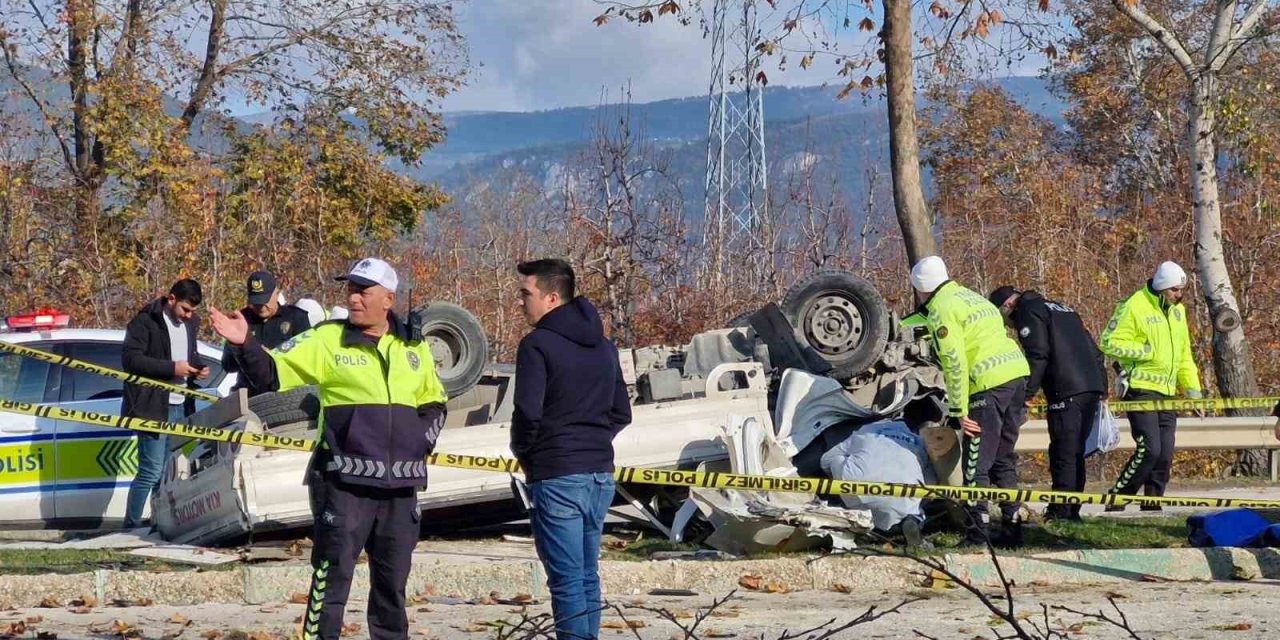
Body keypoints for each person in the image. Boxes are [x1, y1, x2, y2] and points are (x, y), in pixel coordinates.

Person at [209, 258, 447, 640]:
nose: (353, 299)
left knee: (392, 592)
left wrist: (419, 442)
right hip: (342, 481)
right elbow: (272, 373)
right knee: (329, 586)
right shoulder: (326, 338)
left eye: (363, 291)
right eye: (350, 290)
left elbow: (435, 402)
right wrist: (245, 344)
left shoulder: (413, 346)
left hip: (401, 489)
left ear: (387, 299)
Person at [511, 259, 632, 640]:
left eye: (525, 294)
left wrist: (530, 453)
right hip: (599, 475)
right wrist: (592, 442)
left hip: (557, 473)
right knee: (585, 576)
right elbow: (621, 412)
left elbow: (527, 413)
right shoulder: (605, 347)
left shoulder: (536, 346)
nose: (520, 303)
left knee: (566, 582)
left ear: (551, 297)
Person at [909, 256, 1030, 546]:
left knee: (976, 465)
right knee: (1002, 456)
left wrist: (958, 410)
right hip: (1016, 376)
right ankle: (1013, 528)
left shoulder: (941, 310)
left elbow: (954, 362)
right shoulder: (972, 298)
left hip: (987, 384)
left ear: (921, 288)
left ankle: (978, 534)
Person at [989, 287, 1107, 522]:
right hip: (1090, 385)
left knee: (1063, 452)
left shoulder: (1027, 311)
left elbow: (1038, 353)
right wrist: (1102, 386)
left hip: (1066, 388)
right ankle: (1072, 510)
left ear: (1006, 307)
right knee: (1075, 452)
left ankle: (1062, 512)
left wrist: (1027, 392)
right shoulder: (1063, 308)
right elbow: (1094, 350)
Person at [1100, 261, 1202, 511]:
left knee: (1165, 453)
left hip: (1167, 391)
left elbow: (1184, 355)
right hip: (1140, 387)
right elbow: (1107, 342)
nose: (1180, 295)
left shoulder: (1178, 311)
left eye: (1181, 290)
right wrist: (1144, 351)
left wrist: (1194, 391)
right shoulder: (1134, 305)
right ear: (1162, 287)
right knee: (1150, 449)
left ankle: (1152, 504)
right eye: (1175, 290)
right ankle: (1118, 498)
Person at [121, 278, 209, 529]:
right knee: (151, 470)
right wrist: (172, 368)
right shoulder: (144, 322)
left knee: (169, 472)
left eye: (193, 311)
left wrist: (197, 368)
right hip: (152, 406)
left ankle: (158, 523)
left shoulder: (191, 323)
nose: (188, 315)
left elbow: (190, 355)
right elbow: (131, 360)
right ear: (171, 299)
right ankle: (132, 525)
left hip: (182, 404)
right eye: (185, 309)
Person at [220, 270, 313, 397]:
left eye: (265, 300)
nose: (261, 306)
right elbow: (228, 365)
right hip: (249, 396)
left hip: (285, 396)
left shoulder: (296, 318)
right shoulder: (242, 320)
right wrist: (247, 351)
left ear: (276, 294)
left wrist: (273, 357)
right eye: (256, 302)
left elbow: (308, 361)